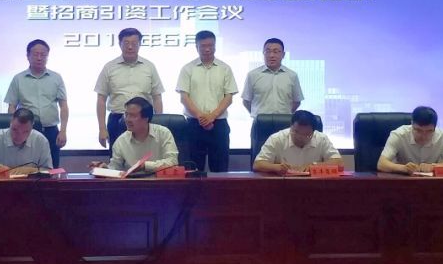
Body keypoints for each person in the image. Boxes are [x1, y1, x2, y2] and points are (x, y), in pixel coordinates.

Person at [177, 30, 239, 172]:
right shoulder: (187, 69)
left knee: (220, 170)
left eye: (210, 45)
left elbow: (229, 97)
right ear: (196, 47)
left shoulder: (225, 68)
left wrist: (212, 116)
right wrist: (201, 117)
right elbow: (184, 97)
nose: (207, 49)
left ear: (215, 46)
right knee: (193, 170)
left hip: (219, 125)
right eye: (203, 46)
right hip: (194, 125)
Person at [94, 27, 164, 150]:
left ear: (140, 44)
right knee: (117, 158)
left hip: (144, 120)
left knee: (146, 157)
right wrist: (102, 128)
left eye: (134, 43)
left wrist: (159, 125)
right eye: (126, 43)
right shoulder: (109, 67)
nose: (130, 47)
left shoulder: (149, 67)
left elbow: (157, 97)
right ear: (119, 44)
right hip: (118, 119)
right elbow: (101, 99)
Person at [4, 39, 69, 167]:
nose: (39, 58)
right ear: (28, 56)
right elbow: (12, 107)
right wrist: (14, 130)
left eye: (43, 55)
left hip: (51, 131)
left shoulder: (56, 78)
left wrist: (63, 131)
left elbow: (63, 106)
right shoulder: (18, 79)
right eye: (35, 54)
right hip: (26, 131)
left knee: (52, 168)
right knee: (26, 167)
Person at [98, 96, 179, 173]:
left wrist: (145, 165)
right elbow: (115, 168)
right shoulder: (121, 141)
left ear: (146, 118)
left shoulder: (163, 133)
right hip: (133, 182)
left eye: (133, 115)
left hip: (160, 181)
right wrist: (105, 169)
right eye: (126, 114)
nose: (127, 119)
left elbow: (173, 161)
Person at [376, 106, 443, 174]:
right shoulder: (399, 135)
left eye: (429, 131)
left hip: (431, 183)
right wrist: (404, 168)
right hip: (404, 181)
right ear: (412, 124)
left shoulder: (442, 136)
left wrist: (434, 167)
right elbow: (381, 164)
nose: (423, 136)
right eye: (419, 130)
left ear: (435, 127)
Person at [253, 110, 341, 174]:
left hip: (313, 187)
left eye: (306, 135)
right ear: (291, 126)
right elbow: (257, 164)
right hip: (283, 186)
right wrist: (276, 167)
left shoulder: (321, 139)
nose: (300, 138)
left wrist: (315, 166)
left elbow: (339, 163)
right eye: (296, 132)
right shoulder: (277, 139)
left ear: (313, 132)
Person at [0, 108, 53, 174]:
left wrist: (28, 170)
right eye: (15, 129)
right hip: (1, 185)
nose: (19, 136)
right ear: (11, 123)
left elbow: (49, 171)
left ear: (32, 127)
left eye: (25, 132)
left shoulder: (41, 141)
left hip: (30, 186)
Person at [242, 37, 304, 116]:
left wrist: (285, 115)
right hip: (260, 121)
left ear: (283, 55)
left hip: (284, 121)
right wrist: (257, 115)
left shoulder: (292, 75)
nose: (271, 55)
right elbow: (246, 101)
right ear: (263, 53)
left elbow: (297, 101)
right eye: (267, 51)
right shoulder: (252, 75)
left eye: (276, 52)